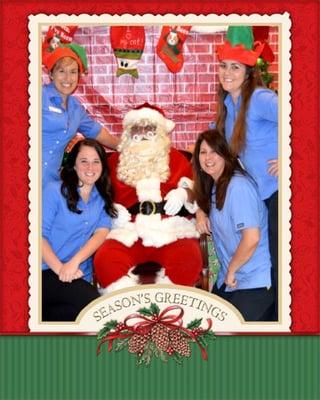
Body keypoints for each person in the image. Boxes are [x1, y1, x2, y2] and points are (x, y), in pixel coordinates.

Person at [197, 26, 278, 318]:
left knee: (282, 271)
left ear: (248, 72)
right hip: (260, 193)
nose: (227, 72)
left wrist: (290, 156)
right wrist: (200, 207)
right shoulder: (228, 108)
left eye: (235, 67)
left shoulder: (260, 99)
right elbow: (209, 153)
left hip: (280, 193)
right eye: (223, 66)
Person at [93, 103, 202, 293]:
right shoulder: (113, 162)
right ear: (128, 133)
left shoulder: (177, 158)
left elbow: (196, 190)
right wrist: (111, 209)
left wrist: (184, 193)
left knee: (189, 257)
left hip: (170, 230)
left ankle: (168, 304)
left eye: (149, 129)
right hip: (129, 230)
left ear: (160, 132)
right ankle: (128, 306)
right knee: (106, 260)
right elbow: (97, 196)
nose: (143, 133)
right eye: (137, 129)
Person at [193, 130, 275, 321]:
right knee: (203, 329)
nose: (208, 158)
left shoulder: (238, 187)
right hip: (229, 280)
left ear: (226, 154)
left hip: (254, 282)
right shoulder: (215, 185)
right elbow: (195, 195)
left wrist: (231, 269)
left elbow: (252, 237)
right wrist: (200, 213)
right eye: (203, 152)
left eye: (214, 152)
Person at [42, 138, 117, 321]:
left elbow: (101, 233)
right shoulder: (54, 191)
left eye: (96, 161)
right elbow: (38, 237)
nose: (90, 167)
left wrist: (74, 263)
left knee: (69, 317)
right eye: (84, 161)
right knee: (94, 307)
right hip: (45, 270)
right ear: (74, 165)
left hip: (78, 273)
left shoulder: (102, 197)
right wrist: (61, 269)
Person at [42, 42, 119, 187]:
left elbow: (100, 134)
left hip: (50, 183)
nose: (67, 78)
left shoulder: (76, 109)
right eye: (61, 71)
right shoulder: (38, 96)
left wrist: (131, 146)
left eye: (73, 72)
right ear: (51, 73)